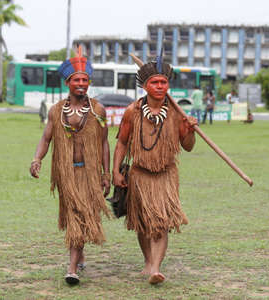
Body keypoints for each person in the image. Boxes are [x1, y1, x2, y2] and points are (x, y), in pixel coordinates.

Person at [112, 53, 197, 285]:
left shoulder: (177, 114)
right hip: (139, 174)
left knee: (160, 223)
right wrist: (116, 171)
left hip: (166, 175)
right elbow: (121, 142)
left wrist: (189, 131)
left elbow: (187, 147)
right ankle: (148, 261)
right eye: (155, 82)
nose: (160, 86)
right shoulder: (133, 111)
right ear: (145, 86)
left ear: (168, 85)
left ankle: (156, 269)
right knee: (142, 222)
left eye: (163, 82)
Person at [29, 46, 111, 285]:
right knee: (74, 215)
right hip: (66, 173)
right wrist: (37, 159)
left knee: (82, 215)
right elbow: (46, 138)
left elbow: (105, 143)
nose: (81, 84)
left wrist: (106, 174)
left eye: (85, 80)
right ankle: (79, 254)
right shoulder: (56, 111)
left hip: (89, 174)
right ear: (68, 82)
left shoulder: (98, 110)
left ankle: (72, 268)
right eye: (77, 79)